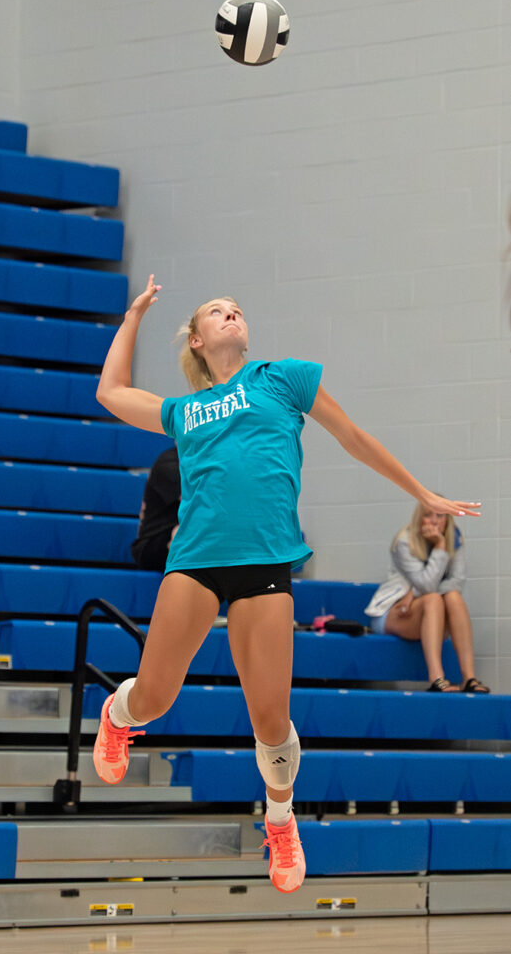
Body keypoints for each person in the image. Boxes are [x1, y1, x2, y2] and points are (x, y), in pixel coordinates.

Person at [92, 275, 480, 895]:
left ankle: (279, 819)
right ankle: (116, 714)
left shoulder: (283, 377)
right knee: (156, 699)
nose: (231, 312)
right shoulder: (183, 410)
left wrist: (421, 493)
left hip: (265, 564)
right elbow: (109, 390)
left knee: (271, 720)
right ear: (196, 339)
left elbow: (353, 437)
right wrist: (135, 312)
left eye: (236, 308)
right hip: (194, 561)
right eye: (217, 311)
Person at [368, 502, 489, 693]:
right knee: (433, 598)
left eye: (440, 516)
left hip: (426, 610)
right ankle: (436, 678)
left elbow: (456, 581)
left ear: (447, 520)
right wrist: (440, 547)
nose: (434, 521)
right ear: (419, 518)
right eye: (428, 515)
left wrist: (413, 594)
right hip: (394, 612)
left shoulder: (454, 538)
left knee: (453, 597)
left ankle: (469, 678)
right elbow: (427, 585)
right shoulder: (405, 541)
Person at [130, 445, 180, 572]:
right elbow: (199, 502)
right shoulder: (169, 461)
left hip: (181, 534)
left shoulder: (206, 461)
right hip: (153, 543)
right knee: (188, 529)